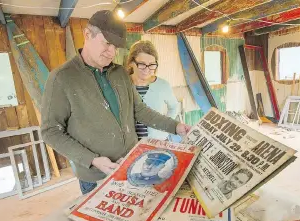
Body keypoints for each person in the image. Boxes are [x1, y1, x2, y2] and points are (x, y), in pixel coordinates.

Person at [41, 10, 190, 195]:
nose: (112, 52)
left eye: (116, 47)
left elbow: (140, 110)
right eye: (107, 43)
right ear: (87, 35)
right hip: (95, 174)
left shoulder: (120, 73)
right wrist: (92, 159)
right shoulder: (62, 78)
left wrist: (175, 127)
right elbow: (50, 132)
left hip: (131, 163)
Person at [126, 40, 180, 141]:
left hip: (157, 142)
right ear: (131, 63)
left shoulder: (163, 85)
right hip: (130, 145)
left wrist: (164, 129)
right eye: (142, 64)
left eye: (151, 65)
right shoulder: (123, 84)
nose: (147, 69)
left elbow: (174, 107)